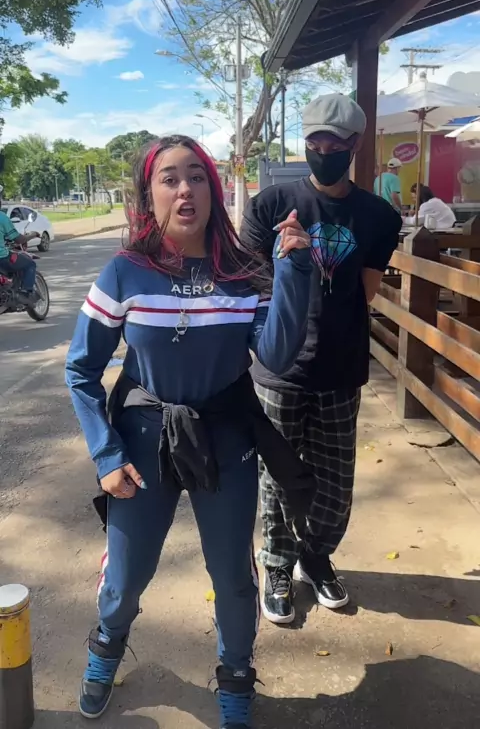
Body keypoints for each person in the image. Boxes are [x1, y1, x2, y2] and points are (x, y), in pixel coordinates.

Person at [65, 135, 313, 727]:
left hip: (226, 436)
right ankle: (106, 646)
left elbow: (276, 355)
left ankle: (236, 674)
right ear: (148, 194)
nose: (185, 190)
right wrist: (106, 454)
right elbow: (81, 370)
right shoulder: (125, 272)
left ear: (213, 189)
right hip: (142, 440)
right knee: (126, 576)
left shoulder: (244, 272)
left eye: (197, 177)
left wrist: (294, 269)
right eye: (170, 178)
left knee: (232, 576)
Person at [240, 94, 402, 625]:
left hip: (340, 368)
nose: (325, 151)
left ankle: (316, 557)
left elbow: (366, 292)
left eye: (336, 144)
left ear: (355, 145)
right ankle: (277, 565)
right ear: (304, 142)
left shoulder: (378, 215)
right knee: (277, 479)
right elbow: (252, 289)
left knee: (335, 484)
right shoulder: (269, 206)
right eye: (315, 142)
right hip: (278, 371)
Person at [0, 190, 39, 299]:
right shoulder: (2, 218)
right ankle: (26, 294)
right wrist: (32, 235)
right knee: (30, 264)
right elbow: (18, 239)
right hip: (2, 258)